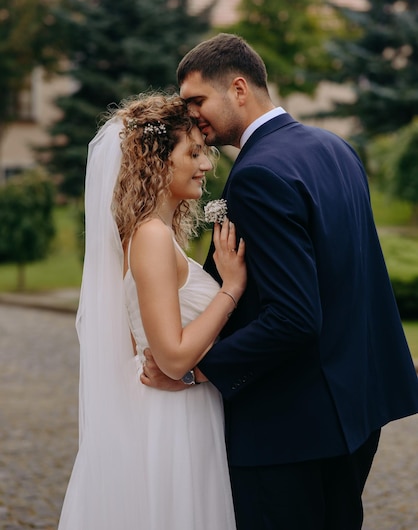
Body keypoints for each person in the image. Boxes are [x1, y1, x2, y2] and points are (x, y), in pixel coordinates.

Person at [142, 34, 418, 530]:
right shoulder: (335, 148)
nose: (192, 116)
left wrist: (193, 371)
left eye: (197, 100)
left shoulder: (259, 173)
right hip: (355, 410)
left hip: (289, 428)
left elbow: (294, 317)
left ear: (240, 88)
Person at [57, 92, 246, 530]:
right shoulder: (152, 237)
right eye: (193, 153)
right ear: (159, 162)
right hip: (170, 414)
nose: (206, 165)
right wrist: (231, 289)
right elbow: (173, 358)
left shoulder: (150, 233)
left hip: (165, 406)